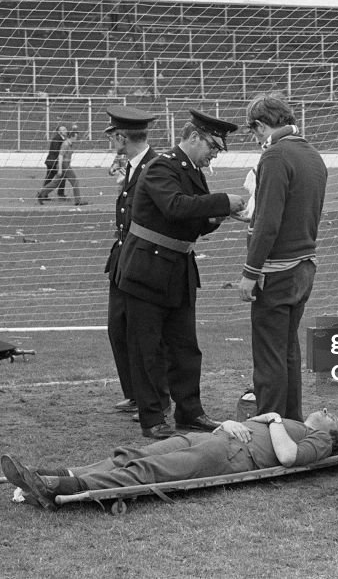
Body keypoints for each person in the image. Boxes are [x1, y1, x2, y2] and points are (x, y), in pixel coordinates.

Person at [114, 109, 246, 438]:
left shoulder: (191, 170)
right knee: (147, 348)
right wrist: (223, 201)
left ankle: (190, 412)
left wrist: (218, 217)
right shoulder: (162, 166)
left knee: (186, 348)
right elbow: (175, 206)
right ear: (193, 137)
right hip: (147, 270)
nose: (215, 153)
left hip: (178, 270)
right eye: (213, 146)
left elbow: (193, 222)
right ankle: (153, 419)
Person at [0, 408, 338, 509]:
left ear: (334, 434)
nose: (326, 411)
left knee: (148, 471)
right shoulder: (299, 423)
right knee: (133, 455)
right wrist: (233, 421)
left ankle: (62, 486)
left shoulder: (318, 438)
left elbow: (289, 458)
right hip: (215, 438)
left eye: (332, 416)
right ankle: (47, 474)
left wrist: (273, 419)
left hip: (229, 455)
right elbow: (250, 424)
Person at [237, 95, 327, 422]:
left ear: (261, 125)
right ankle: (291, 421)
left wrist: (250, 271)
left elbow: (269, 223)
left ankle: (269, 427)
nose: (256, 140)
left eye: (254, 132)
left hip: (277, 270)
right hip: (305, 264)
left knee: (269, 356)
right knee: (288, 349)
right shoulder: (312, 154)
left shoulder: (275, 156)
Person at [101, 105, 169, 416]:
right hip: (123, 257)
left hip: (143, 260)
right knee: (118, 326)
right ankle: (134, 393)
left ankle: (155, 397)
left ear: (120, 136)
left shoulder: (155, 166)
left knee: (144, 332)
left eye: (111, 136)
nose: (110, 142)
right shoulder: (132, 165)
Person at [38, 127, 85, 206]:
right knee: (75, 181)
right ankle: (78, 201)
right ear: (72, 136)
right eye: (76, 137)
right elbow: (60, 156)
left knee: (55, 183)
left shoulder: (69, 144)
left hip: (65, 165)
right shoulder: (65, 144)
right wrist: (60, 169)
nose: (77, 139)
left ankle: (41, 194)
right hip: (64, 165)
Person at [38, 125, 68, 202]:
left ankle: (44, 194)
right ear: (59, 132)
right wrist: (59, 161)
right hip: (53, 162)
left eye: (65, 129)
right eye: (63, 130)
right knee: (57, 177)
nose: (66, 131)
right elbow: (55, 151)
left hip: (53, 162)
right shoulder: (57, 139)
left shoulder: (62, 138)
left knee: (53, 178)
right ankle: (45, 194)